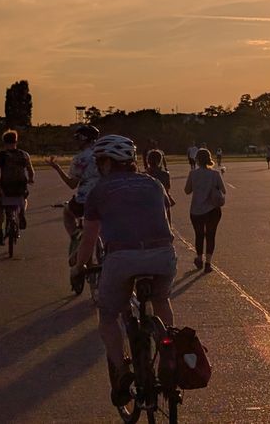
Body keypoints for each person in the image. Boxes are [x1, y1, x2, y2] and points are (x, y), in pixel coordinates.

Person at [70, 135, 177, 407]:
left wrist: (79, 267)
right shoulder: (153, 183)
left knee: (107, 315)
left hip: (122, 257)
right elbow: (166, 217)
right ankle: (169, 351)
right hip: (162, 253)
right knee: (160, 299)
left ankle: (122, 372)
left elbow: (89, 238)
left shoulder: (100, 190)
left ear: (105, 163)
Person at [47, 125, 101, 246]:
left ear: (84, 138)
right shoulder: (103, 154)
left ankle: (75, 238)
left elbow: (72, 184)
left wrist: (57, 168)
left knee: (67, 211)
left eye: (78, 138)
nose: (76, 141)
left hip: (85, 200)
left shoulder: (80, 158)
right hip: (105, 198)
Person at [185, 148, 226, 273]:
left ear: (197, 159)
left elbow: (187, 191)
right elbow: (223, 190)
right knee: (210, 235)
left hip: (197, 209)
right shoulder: (215, 174)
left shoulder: (193, 174)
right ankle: (208, 262)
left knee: (199, 234)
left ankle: (199, 257)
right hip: (213, 209)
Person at [0, 130, 34, 244]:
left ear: (4, 142)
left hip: (6, 185)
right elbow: (30, 171)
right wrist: (30, 179)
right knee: (24, 198)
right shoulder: (24, 154)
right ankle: (22, 212)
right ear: (16, 141)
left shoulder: (1, 155)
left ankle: (0, 231)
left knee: (0, 208)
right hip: (20, 184)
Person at [145, 149, 174, 220]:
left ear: (148, 161)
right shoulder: (165, 175)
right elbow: (167, 188)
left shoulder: (144, 175)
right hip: (162, 203)